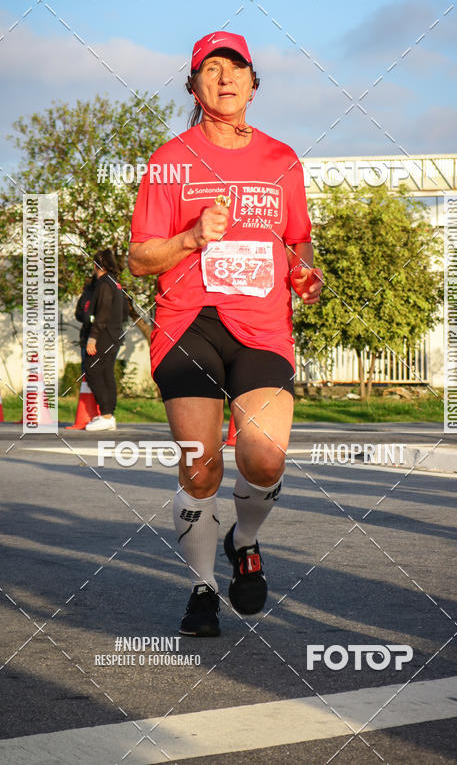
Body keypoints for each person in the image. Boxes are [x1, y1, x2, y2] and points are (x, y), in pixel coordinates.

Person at [129, 31, 323, 636]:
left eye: (235, 66)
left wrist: (305, 269)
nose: (224, 77)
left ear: (254, 84)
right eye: (210, 69)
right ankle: (204, 588)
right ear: (194, 86)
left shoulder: (281, 159)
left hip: (263, 326)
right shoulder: (170, 162)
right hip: (189, 324)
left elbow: (298, 237)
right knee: (202, 467)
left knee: (263, 458)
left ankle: (246, 539)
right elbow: (138, 259)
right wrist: (190, 239)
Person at [83, 249, 127, 432]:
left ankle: (107, 415)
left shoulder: (103, 285)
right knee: (107, 373)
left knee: (92, 370)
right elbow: (124, 313)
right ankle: (109, 415)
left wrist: (93, 337)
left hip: (104, 335)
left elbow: (102, 313)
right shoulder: (116, 284)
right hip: (115, 333)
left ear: (96, 265)